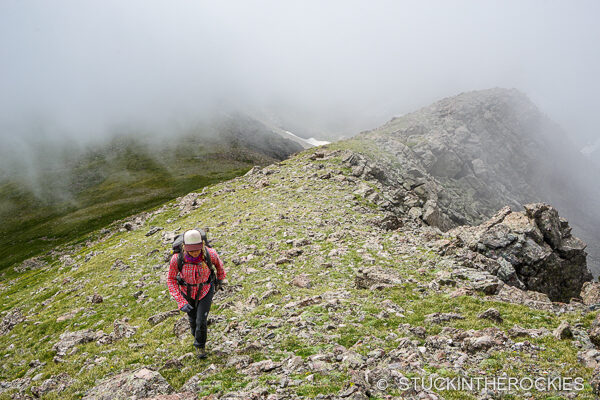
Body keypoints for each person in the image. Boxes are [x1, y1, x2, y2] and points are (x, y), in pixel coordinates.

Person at [167, 229, 226, 359]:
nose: (194, 253)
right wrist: (180, 301)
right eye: (191, 250)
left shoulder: (210, 254)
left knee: (201, 320)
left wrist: (220, 281)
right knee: (193, 319)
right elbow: (171, 280)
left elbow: (220, 267)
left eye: (197, 249)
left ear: (202, 246)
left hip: (205, 290)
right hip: (186, 293)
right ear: (185, 247)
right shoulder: (177, 259)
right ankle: (196, 335)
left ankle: (200, 346)